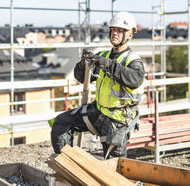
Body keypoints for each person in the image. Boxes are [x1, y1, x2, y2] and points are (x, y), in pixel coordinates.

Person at [51, 11, 145, 159]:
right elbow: (81, 78)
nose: (115, 33)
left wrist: (108, 65)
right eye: (113, 29)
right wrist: (83, 65)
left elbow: (134, 80)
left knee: (116, 165)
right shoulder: (104, 55)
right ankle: (66, 164)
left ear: (129, 35)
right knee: (62, 122)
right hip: (99, 111)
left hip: (117, 120)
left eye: (120, 30)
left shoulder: (133, 60)